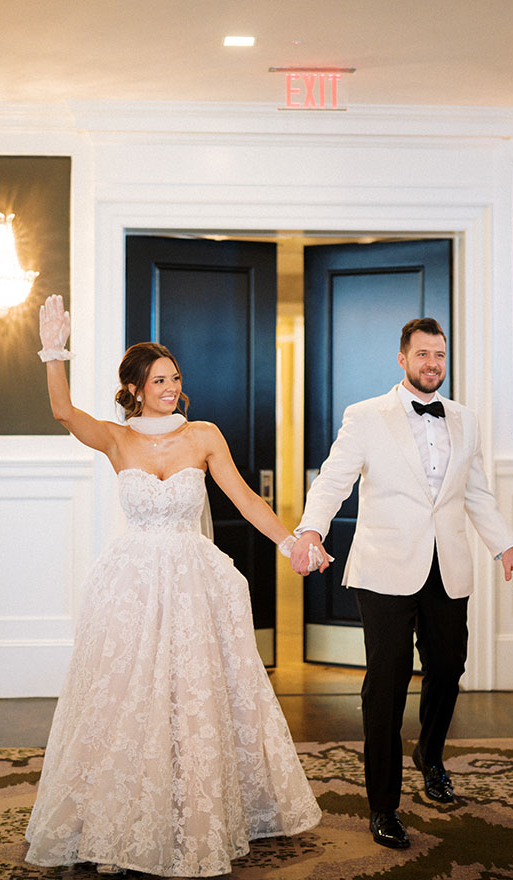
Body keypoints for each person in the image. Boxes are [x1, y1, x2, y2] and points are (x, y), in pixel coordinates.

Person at [25, 295, 321, 877]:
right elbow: (62, 412)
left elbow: (244, 497)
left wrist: (292, 544)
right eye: (159, 379)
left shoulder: (204, 435)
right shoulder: (116, 439)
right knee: (128, 697)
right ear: (134, 387)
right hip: (131, 584)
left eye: (175, 377)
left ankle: (200, 810)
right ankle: (121, 815)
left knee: (195, 698)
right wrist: (54, 351)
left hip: (192, 582)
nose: (171, 386)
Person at [290, 317, 513, 851]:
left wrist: (505, 545)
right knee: (388, 683)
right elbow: (333, 478)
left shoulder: (465, 419)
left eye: (439, 355)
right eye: (422, 355)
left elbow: (477, 494)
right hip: (385, 568)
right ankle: (384, 805)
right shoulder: (366, 416)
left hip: (449, 566)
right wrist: (310, 529)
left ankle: (430, 754)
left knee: (448, 668)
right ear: (403, 359)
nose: (432, 364)